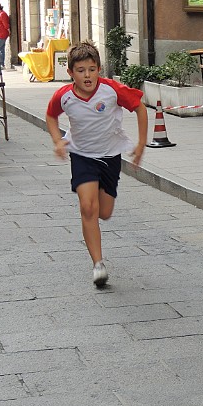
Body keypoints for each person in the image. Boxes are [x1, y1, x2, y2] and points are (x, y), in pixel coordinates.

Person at [45, 41, 148, 287]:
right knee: (87, 208)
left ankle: (103, 203)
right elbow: (50, 115)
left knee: (104, 212)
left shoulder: (111, 90)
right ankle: (98, 264)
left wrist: (142, 144)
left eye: (91, 69)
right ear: (70, 73)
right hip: (82, 155)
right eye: (80, 70)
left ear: (99, 69)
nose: (87, 75)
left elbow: (140, 108)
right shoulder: (64, 96)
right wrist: (58, 141)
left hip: (110, 156)